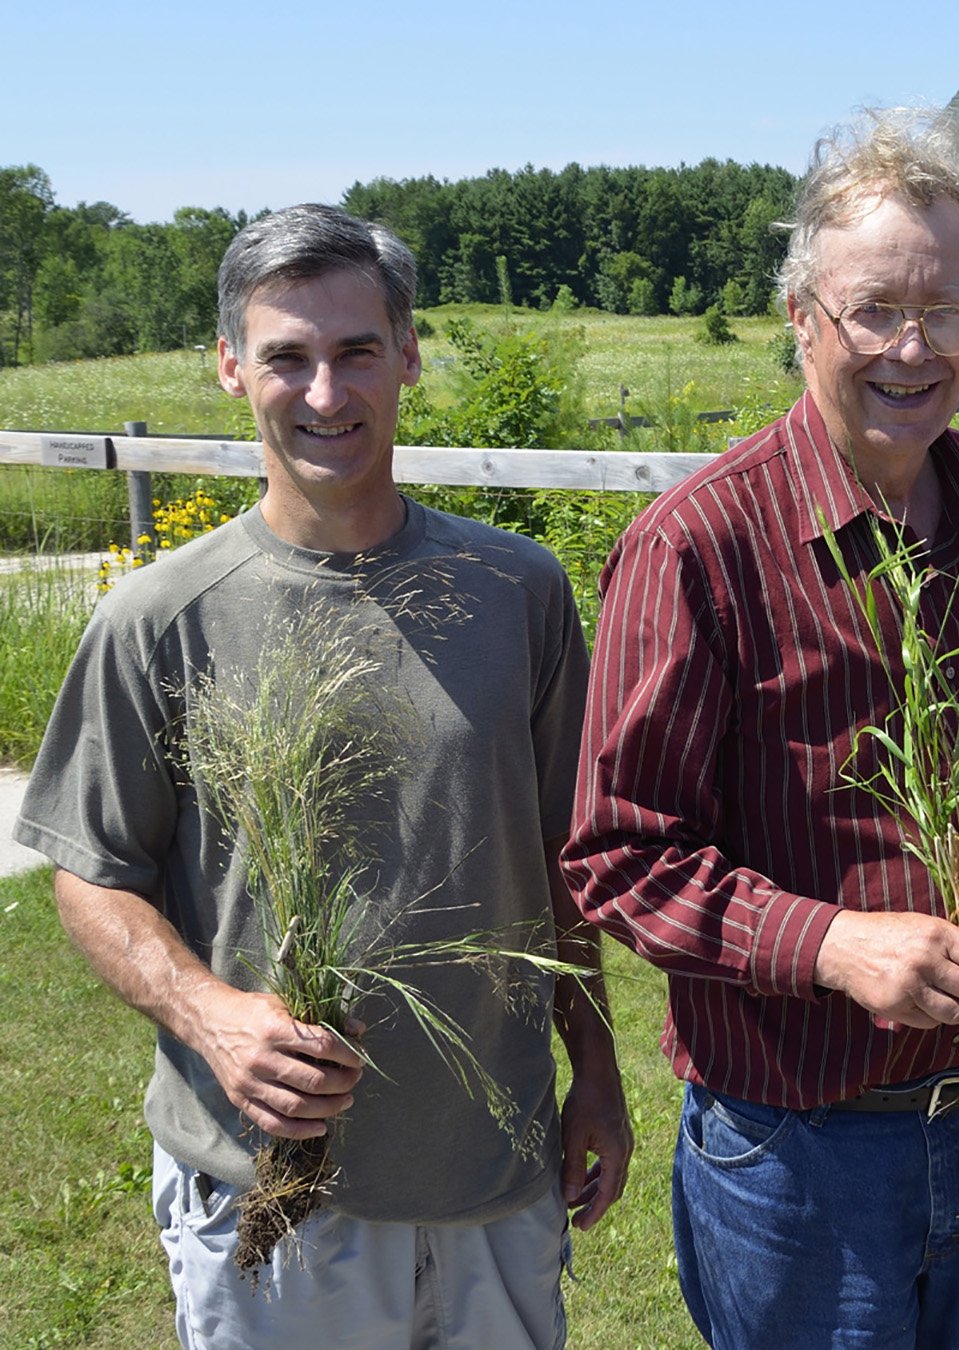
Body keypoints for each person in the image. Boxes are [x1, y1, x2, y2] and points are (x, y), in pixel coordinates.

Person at [14, 204, 633, 1348]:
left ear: (407, 353)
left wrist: (594, 1065)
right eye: (286, 358)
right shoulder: (160, 619)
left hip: (494, 1170)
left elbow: (559, 859)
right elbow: (91, 877)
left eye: (355, 351)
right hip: (270, 1187)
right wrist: (215, 1018)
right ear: (228, 369)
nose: (324, 394)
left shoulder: (518, 591)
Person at [562, 106, 959, 1349]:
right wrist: (835, 943)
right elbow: (617, 855)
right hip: (801, 1155)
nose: (912, 347)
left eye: (946, 310)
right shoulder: (697, 546)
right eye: (873, 310)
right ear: (803, 317)